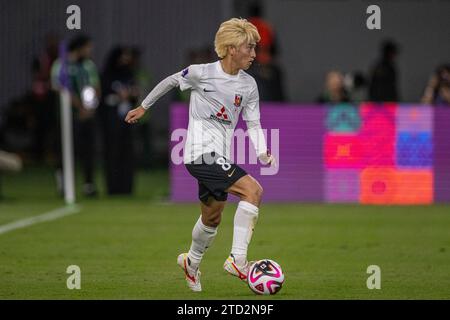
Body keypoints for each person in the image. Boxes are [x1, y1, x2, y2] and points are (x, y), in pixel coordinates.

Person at [125, 18, 276, 292]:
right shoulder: (201, 72)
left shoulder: (248, 85)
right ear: (232, 48)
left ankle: (191, 262)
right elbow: (171, 81)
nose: (254, 55)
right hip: (198, 153)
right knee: (253, 191)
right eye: (249, 48)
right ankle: (238, 261)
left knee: (212, 218)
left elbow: (253, 123)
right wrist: (143, 107)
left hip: (220, 156)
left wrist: (262, 151)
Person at [51, 35, 101, 197]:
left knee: (88, 150)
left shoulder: (88, 65)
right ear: (78, 48)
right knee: (64, 150)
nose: (89, 51)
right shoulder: (61, 65)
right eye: (87, 47)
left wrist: (89, 107)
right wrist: (78, 107)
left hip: (86, 115)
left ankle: (88, 184)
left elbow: (93, 86)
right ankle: (63, 184)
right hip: (67, 117)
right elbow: (61, 89)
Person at [100, 46, 139, 194]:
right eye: (123, 56)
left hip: (127, 118)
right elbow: (103, 96)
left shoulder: (129, 74)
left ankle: (127, 187)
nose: (126, 59)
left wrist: (132, 94)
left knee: (127, 152)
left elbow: (134, 93)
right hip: (111, 118)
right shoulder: (107, 75)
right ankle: (113, 187)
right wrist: (119, 96)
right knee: (112, 152)